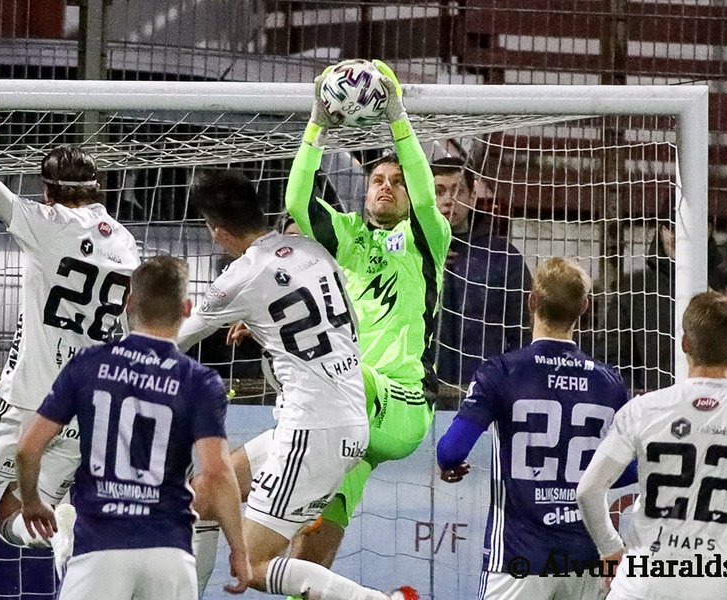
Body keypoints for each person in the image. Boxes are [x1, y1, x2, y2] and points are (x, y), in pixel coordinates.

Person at [179, 170, 416, 600]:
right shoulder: (314, 252)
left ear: (216, 230)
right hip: (344, 419)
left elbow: (171, 338)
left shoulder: (241, 276)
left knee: (249, 565)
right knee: (205, 497)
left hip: (311, 433)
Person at [0, 95, 140, 600]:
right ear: (99, 189)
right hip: (86, 408)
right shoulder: (126, 242)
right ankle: (64, 528)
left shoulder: (44, 224)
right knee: (14, 516)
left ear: (47, 192)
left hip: (28, 398)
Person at [284, 60, 452, 572]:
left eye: (396, 181)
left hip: (400, 404)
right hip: (352, 420)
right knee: (308, 552)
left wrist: (397, 115)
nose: (385, 186)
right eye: (377, 179)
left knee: (323, 370)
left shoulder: (426, 238)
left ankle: (258, 467)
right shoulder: (348, 237)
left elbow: (426, 194)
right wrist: (317, 123)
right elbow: (296, 201)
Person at [15, 256, 249, 600]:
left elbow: (27, 449)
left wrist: (32, 502)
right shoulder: (199, 381)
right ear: (186, 309)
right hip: (169, 553)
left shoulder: (89, 364)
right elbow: (217, 473)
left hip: (100, 549)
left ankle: (65, 547)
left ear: (129, 304)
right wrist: (239, 550)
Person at [437, 257, 632, 599]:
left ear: (532, 301)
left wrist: (450, 465)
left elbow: (450, 450)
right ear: (584, 308)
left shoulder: (501, 372)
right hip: (584, 559)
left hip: (518, 557)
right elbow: (626, 470)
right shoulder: (609, 382)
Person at [577, 289, 727, 600]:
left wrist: (610, 548)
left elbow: (588, 490)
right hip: (717, 585)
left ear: (685, 343)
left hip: (643, 584)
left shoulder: (643, 410)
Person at [598, 221, 727, 392]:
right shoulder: (634, 293)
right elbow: (613, 361)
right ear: (661, 231)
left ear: (708, 229)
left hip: (725, 411)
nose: (679, 235)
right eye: (671, 227)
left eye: (689, 225)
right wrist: (644, 404)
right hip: (658, 411)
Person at [432, 155, 530, 390]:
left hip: (484, 389)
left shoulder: (502, 256)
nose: (449, 200)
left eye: (458, 191)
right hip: (420, 388)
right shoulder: (408, 252)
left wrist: (511, 383)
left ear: (472, 196)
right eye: (439, 191)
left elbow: (523, 332)